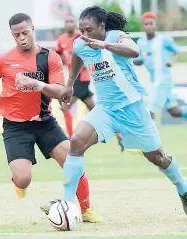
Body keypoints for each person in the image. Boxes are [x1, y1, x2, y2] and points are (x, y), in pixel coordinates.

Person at [0, 13, 100, 223]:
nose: (21, 38)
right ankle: (18, 182)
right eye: (16, 35)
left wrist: (38, 85)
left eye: (25, 33)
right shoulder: (3, 60)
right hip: (15, 127)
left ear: (33, 29)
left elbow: (60, 91)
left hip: (45, 123)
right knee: (23, 179)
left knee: (72, 160)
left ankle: (86, 210)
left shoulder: (50, 57)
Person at [58, 6, 187, 216]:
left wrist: (105, 45)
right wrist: (70, 83)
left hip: (133, 110)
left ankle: (183, 189)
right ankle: (67, 204)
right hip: (106, 111)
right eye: (82, 30)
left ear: (102, 25)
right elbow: (77, 56)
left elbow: (134, 51)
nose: (85, 35)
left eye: (89, 29)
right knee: (76, 141)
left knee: (159, 158)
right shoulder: (81, 43)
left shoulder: (116, 36)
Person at [57, 15, 124, 151]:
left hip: (82, 79)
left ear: (75, 23)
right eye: (67, 21)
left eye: (71, 21)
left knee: (65, 107)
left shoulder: (81, 37)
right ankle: (119, 135)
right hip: (75, 80)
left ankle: (70, 140)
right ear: (64, 24)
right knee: (94, 109)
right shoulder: (61, 40)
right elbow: (62, 57)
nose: (69, 24)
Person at [133, 11, 187, 120]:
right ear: (143, 26)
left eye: (151, 23)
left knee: (149, 110)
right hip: (154, 81)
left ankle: (149, 137)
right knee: (175, 111)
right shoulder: (141, 42)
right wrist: (129, 60)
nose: (148, 26)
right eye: (146, 24)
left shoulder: (163, 39)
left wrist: (172, 61)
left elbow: (177, 52)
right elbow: (140, 60)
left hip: (164, 80)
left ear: (155, 25)